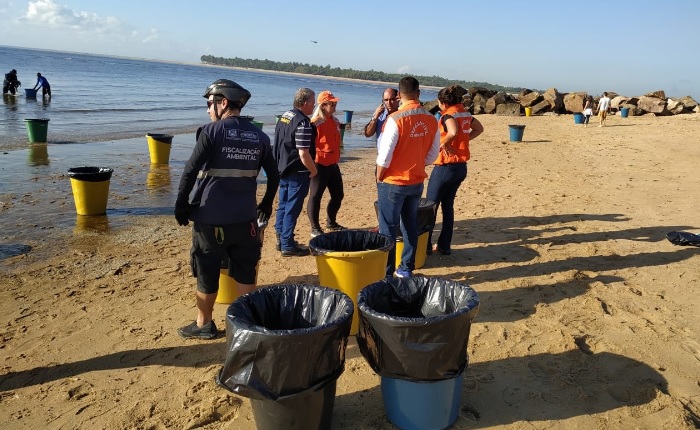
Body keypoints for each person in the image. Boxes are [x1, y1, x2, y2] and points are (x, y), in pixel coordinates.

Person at [174, 79, 279, 340]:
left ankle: (204, 324)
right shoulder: (261, 137)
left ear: (223, 103)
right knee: (245, 270)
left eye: (210, 104)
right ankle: (247, 324)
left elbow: (190, 170)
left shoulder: (211, 132)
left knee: (207, 270)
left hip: (211, 219)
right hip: (246, 219)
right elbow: (274, 176)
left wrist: (181, 204)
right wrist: (266, 204)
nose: (208, 110)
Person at [376, 76, 440, 278]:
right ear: (418, 93)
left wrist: (380, 177)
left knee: (388, 227)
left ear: (399, 95)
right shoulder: (431, 119)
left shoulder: (395, 119)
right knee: (410, 224)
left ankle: (386, 273)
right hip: (416, 180)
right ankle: (405, 267)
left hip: (393, 181)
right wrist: (418, 164)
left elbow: (384, 156)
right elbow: (433, 153)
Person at [425, 85, 484, 256]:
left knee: (431, 207)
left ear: (443, 102)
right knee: (447, 206)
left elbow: (453, 131)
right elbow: (479, 129)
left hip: (446, 167)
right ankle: (444, 246)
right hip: (460, 167)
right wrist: (464, 140)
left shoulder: (448, 115)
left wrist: (443, 144)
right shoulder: (465, 113)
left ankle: (426, 246)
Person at [273, 87, 318, 256]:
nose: (314, 106)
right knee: (292, 207)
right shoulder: (303, 123)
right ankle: (287, 244)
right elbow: (303, 153)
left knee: (283, 205)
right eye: (313, 103)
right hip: (297, 171)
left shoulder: (285, 116)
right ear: (305, 103)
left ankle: (281, 238)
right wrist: (313, 171)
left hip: (283, 167)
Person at [307, 90, 346, 237]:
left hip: (333, 164)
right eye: (332, 103)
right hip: (319, 164)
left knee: (338, 195)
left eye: (335, 103)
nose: (335, 105)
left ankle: (331, 222)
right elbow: (309, 146)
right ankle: (315, 228)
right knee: (316, 196)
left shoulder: (334, 121)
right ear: (323, 105)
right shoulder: (315, 123)